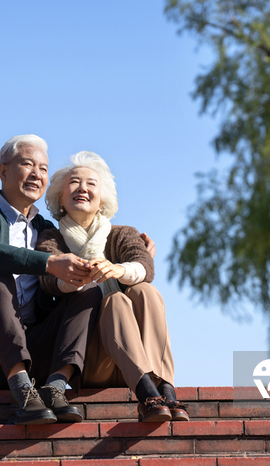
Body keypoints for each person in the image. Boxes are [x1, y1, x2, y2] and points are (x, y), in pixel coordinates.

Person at [0, 135, 156, 426]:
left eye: (44, 168)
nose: (37, 173)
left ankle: (55, 387)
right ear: (3, 171)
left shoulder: (47, 231)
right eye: (27, 164)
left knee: (86, 290)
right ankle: (21, 390)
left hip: (33, 349)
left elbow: (89, 245)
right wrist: (48, 263)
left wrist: (134, 259)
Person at [36, 151, 189, 423]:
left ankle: (165, 388)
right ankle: (147, 396)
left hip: (143, 358)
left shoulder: (122, 234)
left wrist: (117, 269)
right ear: (60, 197)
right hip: (94, 362)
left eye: (91, 183)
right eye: (74, 182)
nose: (83, 188)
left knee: (145, 290)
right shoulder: (52, 238)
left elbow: (145, 266)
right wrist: (75, 278)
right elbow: (47, 283)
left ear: (102, 199)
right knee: (114, 301)